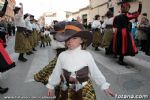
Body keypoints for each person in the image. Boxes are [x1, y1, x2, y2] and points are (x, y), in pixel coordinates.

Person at [46, 21, 115, 99]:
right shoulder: (62, 55)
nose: (70, 41)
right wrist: (51, 85)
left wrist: (103, 85)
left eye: (74, 38)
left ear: (81, 40)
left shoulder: (86, 55)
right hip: (68, 89)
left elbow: (95, 71)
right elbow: (57, 71)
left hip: (85, 88)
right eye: (68, 38)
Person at [34, 21, 66, 100]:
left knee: (61, 80)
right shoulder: (58, 39)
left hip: (62, 59)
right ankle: (59, 95)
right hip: (61, 60)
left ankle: (59, 94)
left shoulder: (58, 37)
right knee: (60, 79)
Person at [113, 1, 142, 66]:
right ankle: (120, 60)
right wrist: (140, 4)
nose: (127, 9)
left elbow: (114, 25)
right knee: (123, 45)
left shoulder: (116, 16)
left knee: (119, 44)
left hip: (117, 32)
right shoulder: (127, 15)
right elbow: (138, 13)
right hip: (124, 32)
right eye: (127, 8)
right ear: (126, 8)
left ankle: (118, 57)